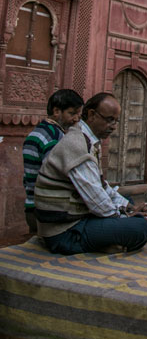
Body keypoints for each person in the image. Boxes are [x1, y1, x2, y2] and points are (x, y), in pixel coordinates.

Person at [34, 92, 147, 254]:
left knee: (128, 203)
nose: (114, 126)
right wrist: (125, 216)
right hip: (63, 230)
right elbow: (97, 199)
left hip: (76, 218)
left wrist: (129, 207)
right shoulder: (77, 145)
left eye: (116, 121)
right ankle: (84, 244)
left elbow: (102, 187)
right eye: (109, 120)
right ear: (92, 115)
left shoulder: (88, 141)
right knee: (139, 227)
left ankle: (105, 241)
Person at [23, 89, 84, 233]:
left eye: (78, 115)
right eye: (72, 113)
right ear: (57, 111)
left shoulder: (37, 132)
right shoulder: (56, 137)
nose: (76, 119)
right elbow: (56, 174)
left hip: (32, 207)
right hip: (47, 211)